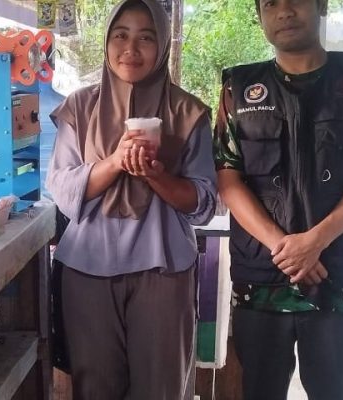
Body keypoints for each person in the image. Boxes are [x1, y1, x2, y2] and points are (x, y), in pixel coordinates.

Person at [213, 0, 343, 399]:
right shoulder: (238, 89)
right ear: (259, 15)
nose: (284, 11)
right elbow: (228, 181)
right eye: (270, 4)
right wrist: (287, 248)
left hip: (339, 276)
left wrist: (315, 241)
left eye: (295, 0)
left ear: (321, 6)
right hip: (262, 280)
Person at [46, 0, 217, 398]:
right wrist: (115, 162)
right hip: (87, 268)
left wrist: (157, 175)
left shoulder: (187, 112)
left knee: (160, 387)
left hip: (163, 269)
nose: (131, 49)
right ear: (107, 42)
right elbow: (63, 188)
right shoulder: (79, 108)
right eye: (120, 36)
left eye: (146, 38)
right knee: (95, 387)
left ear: (163, 46)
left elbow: (205, 203)